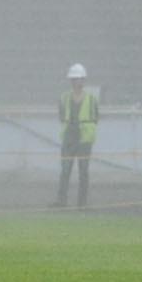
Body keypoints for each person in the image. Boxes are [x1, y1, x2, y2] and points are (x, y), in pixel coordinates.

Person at [55, 64, 99, 207]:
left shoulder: (91, 99)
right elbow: (62, 116)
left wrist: (85, 128)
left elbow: (95, 117)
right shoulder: (64, 98)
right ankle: (62, 201)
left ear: (83, 80)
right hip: (69, 137)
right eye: (73, 79)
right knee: (65, 170)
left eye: (78, 79)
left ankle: (82, 203)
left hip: (84, 139)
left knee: (83, 171)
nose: (75, 82)